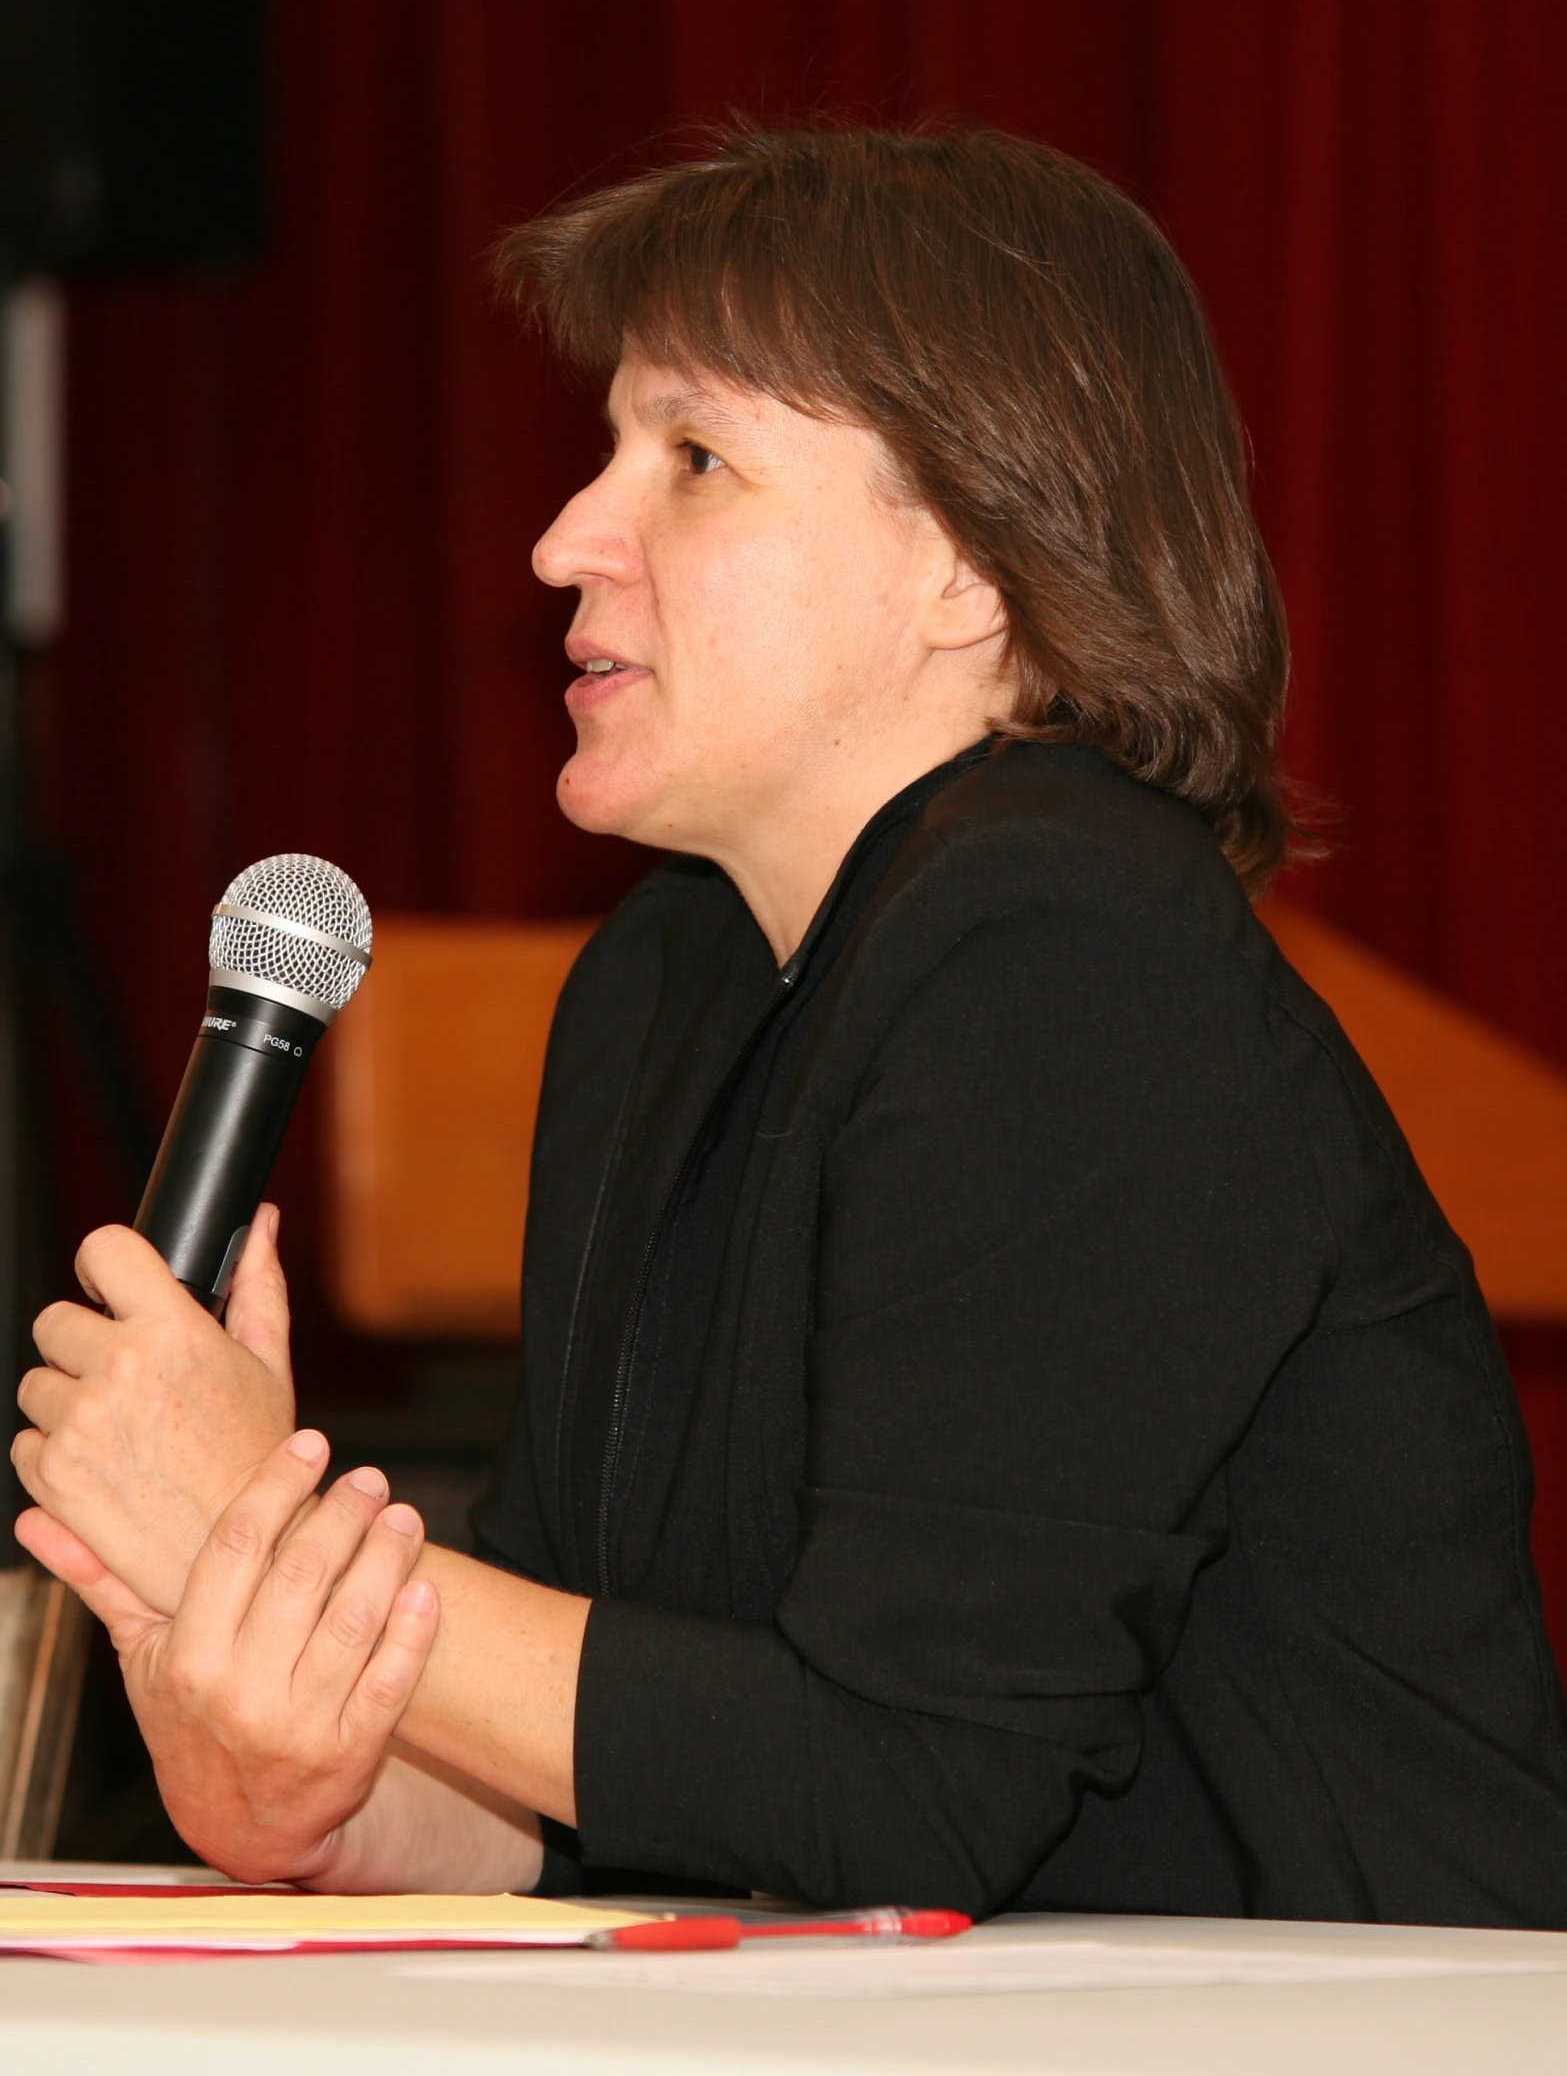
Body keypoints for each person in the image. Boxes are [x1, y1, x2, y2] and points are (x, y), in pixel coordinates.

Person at [13, 124, 1567, 1923]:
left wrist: (261, 1532)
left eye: (691, 458)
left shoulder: (1067, 945)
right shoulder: (663, 981)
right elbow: (616, 1791)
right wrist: (304, 1768)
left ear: (972, 568)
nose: (561, 539)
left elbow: (907, 1782)